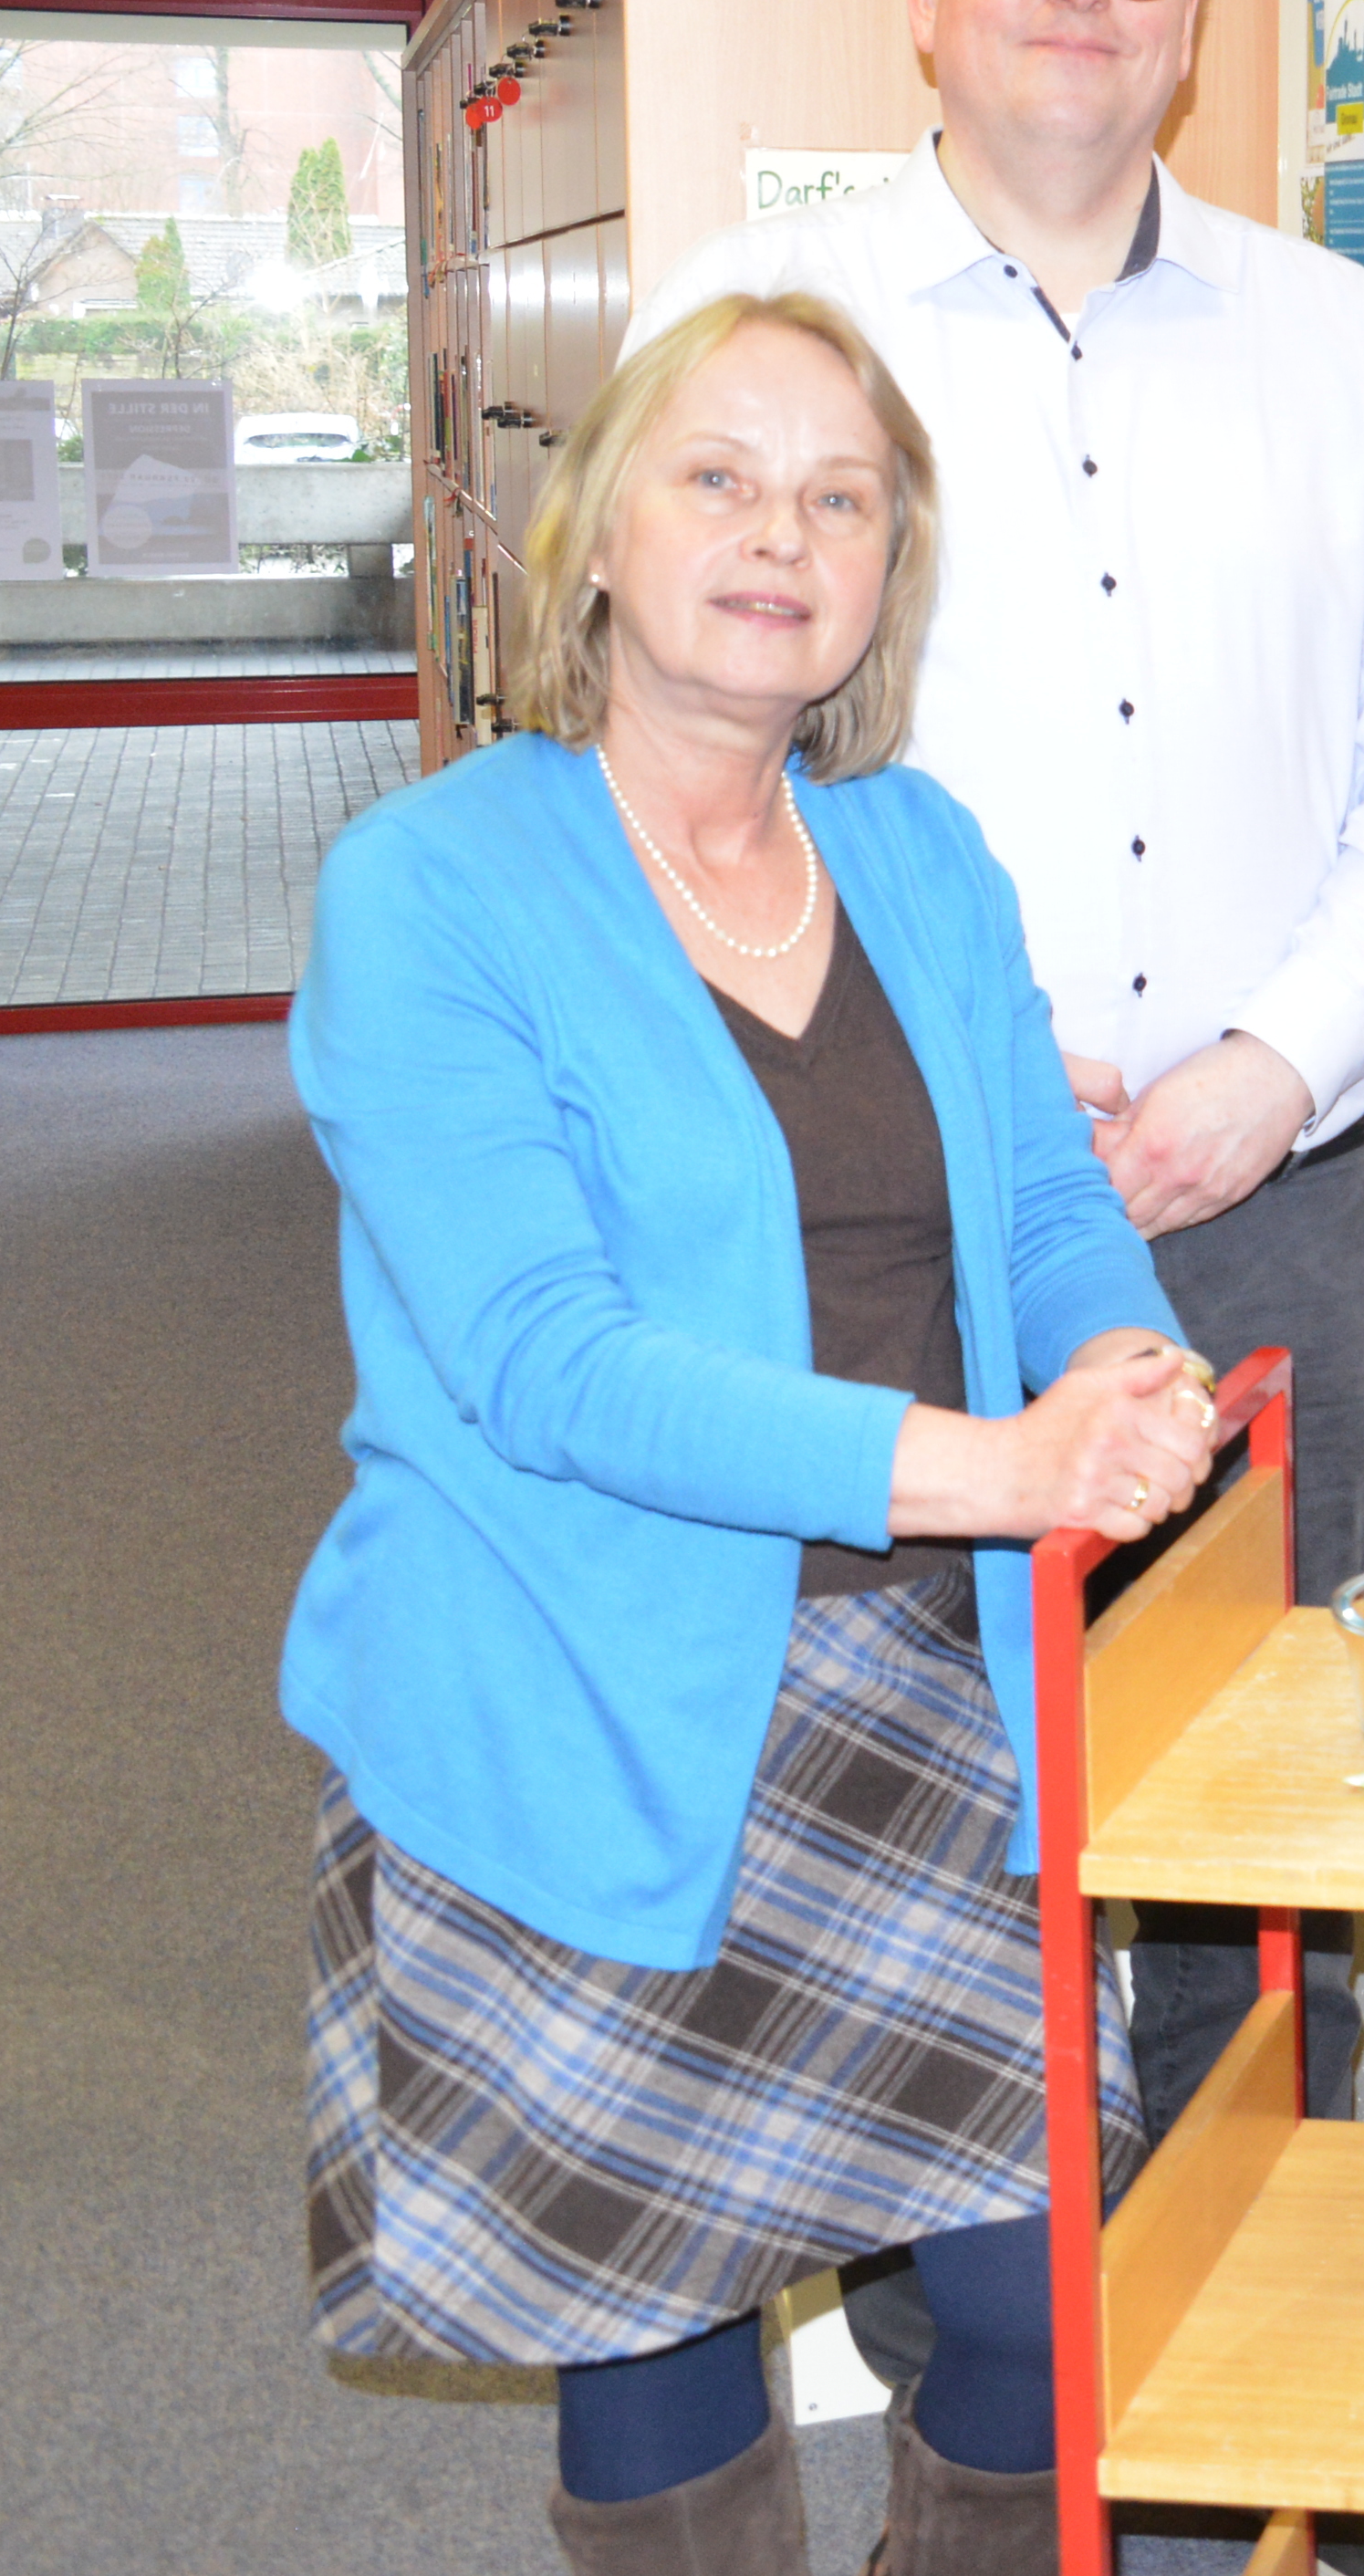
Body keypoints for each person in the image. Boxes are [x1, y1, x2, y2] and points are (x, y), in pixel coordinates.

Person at [281, 293, 1223, 2576]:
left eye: (839, 495)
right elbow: (549, 1358)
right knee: (657, 2325)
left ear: (888, 568)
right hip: (583, 1689)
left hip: (931, 1685)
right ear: (597, 530)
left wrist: (1125, 1363)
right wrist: (997, 1464)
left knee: (1030, 2302)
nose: (778, 534)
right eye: (718, 476)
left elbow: (1041, 1205)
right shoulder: (436, 885)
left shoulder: (916, 855)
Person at [636, 0, 1364, 2133]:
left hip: (1279, 1222)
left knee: (1260, 1850)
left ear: (1198, 19)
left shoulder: (1330, 338)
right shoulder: (760, 335)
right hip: (894, 1238)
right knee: (917, 1848)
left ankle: (1277, 2427)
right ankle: (1012, 2435)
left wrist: (1274, 1060)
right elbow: (672, 769)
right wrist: (973, 1082)